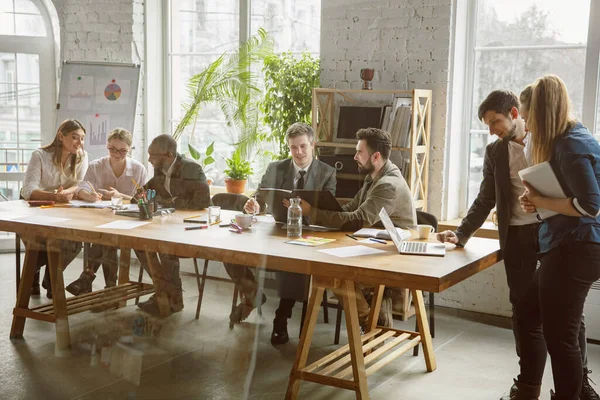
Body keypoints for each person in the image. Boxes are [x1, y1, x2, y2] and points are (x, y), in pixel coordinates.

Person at [516, 75, 600, 400]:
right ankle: (538, 390)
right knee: (529, 314)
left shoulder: (571, 145)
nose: (525, 124)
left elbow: (590, 206)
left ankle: (571, 394)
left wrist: (540, 201)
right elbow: (571, 196)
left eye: (527, 116)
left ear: (541, 112)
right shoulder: (569, 139)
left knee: (560, 337)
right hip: (571, 246)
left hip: (576, 250)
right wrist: (537, 199)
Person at [224, 122, 337, 345]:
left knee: (295, 261)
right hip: (277, 230)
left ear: (313, 145)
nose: (299, 153)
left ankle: (281, 317)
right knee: (231, 252)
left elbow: (328, 210)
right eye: (293, 148)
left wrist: (306, 210)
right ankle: (254, 294)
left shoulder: (326, 173)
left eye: (303, 146)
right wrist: (254, 205)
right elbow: (260, 197)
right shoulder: (276, 168)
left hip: (310, 233)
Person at [299, 127, 417, 330]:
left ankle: (369, 321)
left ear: (376, 156)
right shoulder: (375, 176)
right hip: (375, 245)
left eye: (359, 152)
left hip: (396, 255)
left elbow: (356, 220)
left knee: (331, 274)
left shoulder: (387, 184)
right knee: (327, 271)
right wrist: (320, 207)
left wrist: (312, 213)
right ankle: (372, 319)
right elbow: (349, 209)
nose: (354, 157)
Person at [65, 128, 148, 296]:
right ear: (107, 146)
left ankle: (90, 277)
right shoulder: (97, 166)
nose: (117, 154)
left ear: (130, 149)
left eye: (123, 150)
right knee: (107, 236)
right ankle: (110, 290)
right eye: (113, 149)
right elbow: (81, 189)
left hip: (130, 222)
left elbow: (145, 200)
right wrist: (89, 196)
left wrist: (121, 196)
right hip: (101, 220)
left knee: (106, 237)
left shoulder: (138, 169)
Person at [135, 134, 210, 316]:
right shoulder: (160, 168)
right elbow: (151, 188)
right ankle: (165, 293)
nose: (150, 159)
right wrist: (140, 195)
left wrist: (170, 202)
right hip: (171, 225)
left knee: (163, 246)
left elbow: (203, 201)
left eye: (153, 155)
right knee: (138, 243)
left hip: (193, 227)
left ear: (168, 154)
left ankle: (169, 297)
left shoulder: (191, 168)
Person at [21, 119, 89, 299]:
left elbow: (79, 184)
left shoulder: (82, 156)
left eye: (82, 139)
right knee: (39, 243)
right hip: (35, 207)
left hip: (62, 206)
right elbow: (28, 190)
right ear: (61, 136)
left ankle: (50, 275)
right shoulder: (40, 155)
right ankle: (36, 275)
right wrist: (53, 196)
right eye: (75, 137)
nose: (79, 143)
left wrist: (65, 192)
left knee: (74, 242)